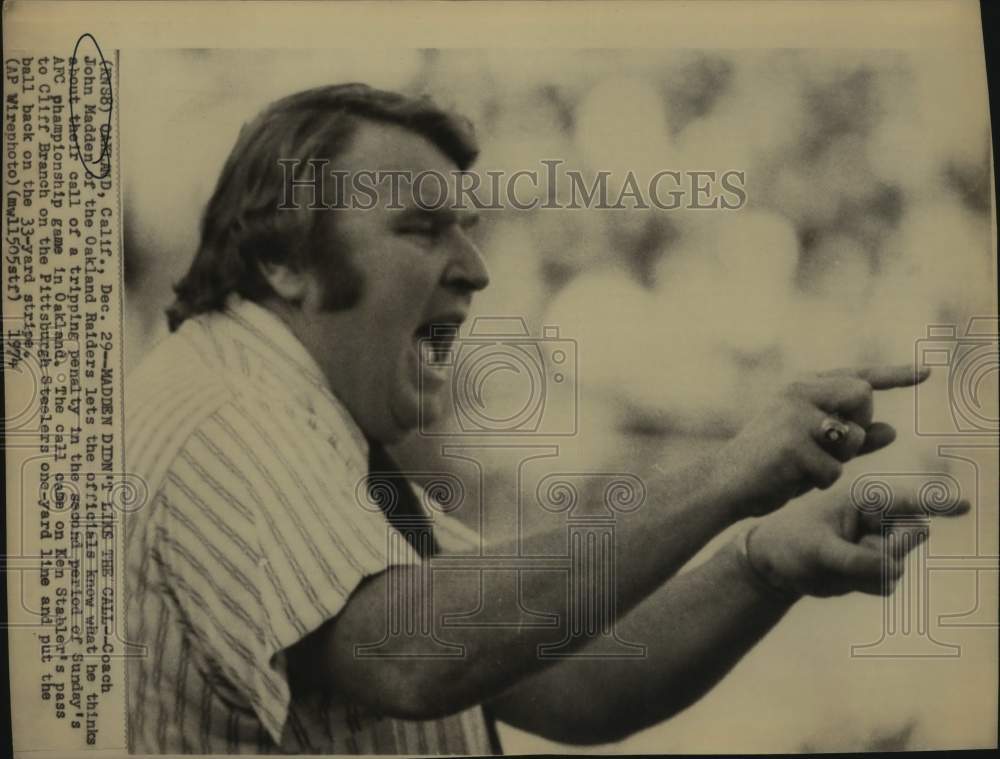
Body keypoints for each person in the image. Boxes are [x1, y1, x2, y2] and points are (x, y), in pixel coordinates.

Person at [123, 83, 966, 754]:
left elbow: (579, 683)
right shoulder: (223, 415)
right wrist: (729, 475)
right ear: (281, 261)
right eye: (422, 228)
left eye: (468, 228)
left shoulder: (302, 423)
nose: (476, 268)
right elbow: (417, 655)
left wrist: (760, 563)